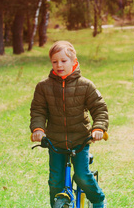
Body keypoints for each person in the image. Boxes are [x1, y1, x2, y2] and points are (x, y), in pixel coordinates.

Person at [30, 41, 109, 208]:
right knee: (55, 180)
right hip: (55, 142)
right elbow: (38, 111)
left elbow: (99, 108)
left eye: (64, 61)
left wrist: (98, 128)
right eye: (55, 61)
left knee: (82, 175)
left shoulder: (85, 85)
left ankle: (98, 199)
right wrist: (38, 129)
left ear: (74, 61)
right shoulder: (44, 87)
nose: (59, 65)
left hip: (80, 140)